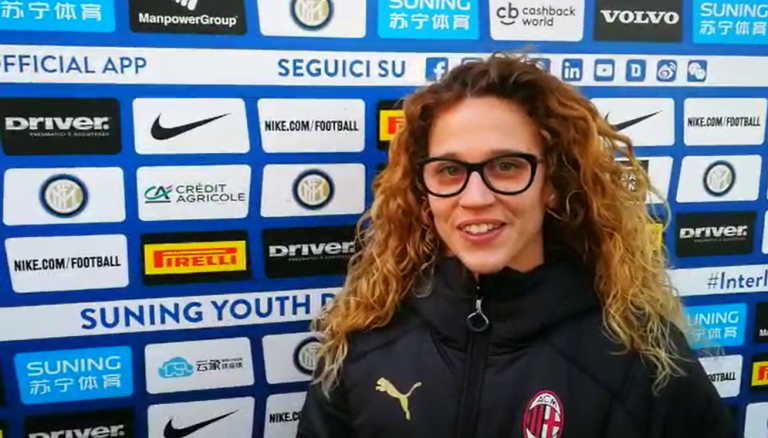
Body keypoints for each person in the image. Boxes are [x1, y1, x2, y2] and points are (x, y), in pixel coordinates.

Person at [295, 51, 735, 438]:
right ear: (424, 191)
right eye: (449, 170)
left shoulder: (642, 359)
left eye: (506, 166)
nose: (475, 198)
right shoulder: (364, 344)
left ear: (552, 184)